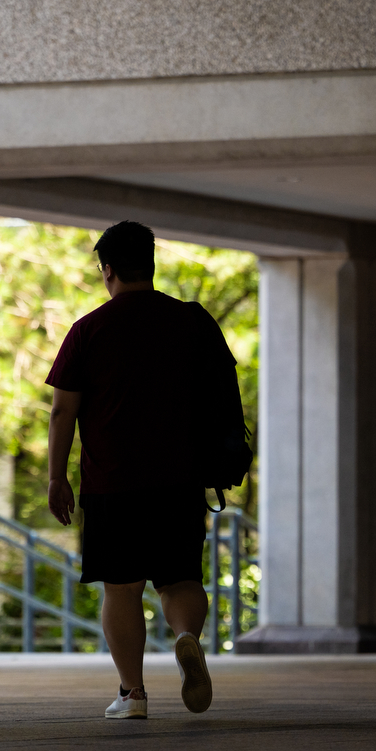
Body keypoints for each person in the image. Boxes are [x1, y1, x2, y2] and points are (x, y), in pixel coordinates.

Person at [45, 220, 232, 719]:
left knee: (122, 587)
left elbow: (63, 411)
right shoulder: (190, 322)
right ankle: (186, 636)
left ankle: (133, 695)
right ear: (150, 265)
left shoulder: (88, 330)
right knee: (180, 579)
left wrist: (57, 477)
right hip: (180, 478)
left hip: (112, 482)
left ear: (107, 270)